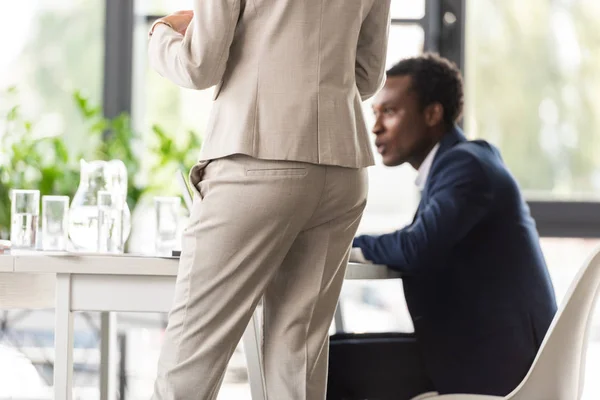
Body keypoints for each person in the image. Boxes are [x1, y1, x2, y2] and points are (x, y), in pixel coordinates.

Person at [147, 1, 391, 399]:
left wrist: (161, 34)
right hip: (342, 164)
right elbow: (365, 76)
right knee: (297, 364)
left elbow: (198, 65)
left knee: (191, 357)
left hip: (257, 158)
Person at [351, 54, 558, 396]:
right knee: (331, 355)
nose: (375, 127)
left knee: (328, 365)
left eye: (389, 111)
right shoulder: (457, 165)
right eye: (375, 113)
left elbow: (416, 247)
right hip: (480, 352)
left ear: (433, 113)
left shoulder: (466, 165)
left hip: (497, 366)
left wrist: (350, 245)